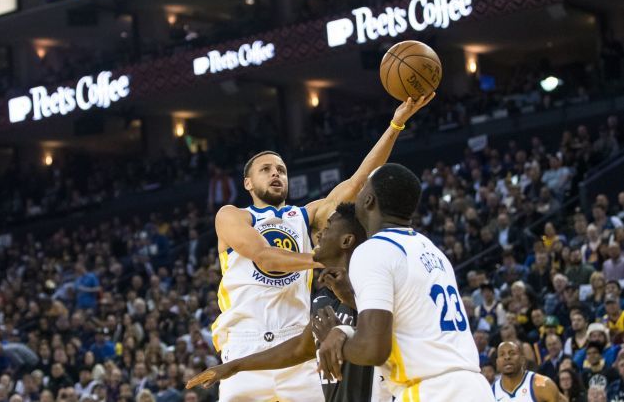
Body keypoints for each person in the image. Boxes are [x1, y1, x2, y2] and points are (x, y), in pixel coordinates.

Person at [208, 97, 433, 402]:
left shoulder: (304, 215)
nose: (276, 174)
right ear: (248, 182)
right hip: (245, 346)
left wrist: (395, 124)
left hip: (295, 349)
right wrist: (323, 261)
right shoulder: (233, 215)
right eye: (266, 170)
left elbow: (357, 182)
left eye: (281, 170)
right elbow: (264, 256)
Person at [316, 164, 494, 401]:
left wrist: (336, 336)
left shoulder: (373, 249)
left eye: (361, 190)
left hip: (432, 391)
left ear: (369, 200)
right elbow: (411, 322)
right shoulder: (431, 250)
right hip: (473, 386)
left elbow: (373, 350)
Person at [186, 203, 391, 401]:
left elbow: (393, 333)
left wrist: (342, 329)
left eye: (327, 229)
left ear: (346, 241)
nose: (318, 235)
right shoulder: (323, 300)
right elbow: (300, 349)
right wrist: (234, 366)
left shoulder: (373, 281)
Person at [493, 341, 567, 402]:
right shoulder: (491, 393)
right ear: (497, 362)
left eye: (512, 353)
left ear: (522, 360)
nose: (507, 357)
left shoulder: (543, 385)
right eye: (502, 354)